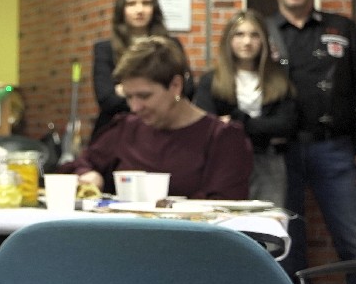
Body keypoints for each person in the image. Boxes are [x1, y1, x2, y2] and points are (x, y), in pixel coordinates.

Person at [265, 0, 356, 284]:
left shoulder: (341, 27)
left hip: (336, 150)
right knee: (285, 249)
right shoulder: (261, 31)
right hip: (277, 154)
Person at [73, 36, 253, 200]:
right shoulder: (125, 129)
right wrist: (88, 174)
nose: (135, 107)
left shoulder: (221, 138)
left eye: (144, 96)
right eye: (128, 97)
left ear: (175, 85)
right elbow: (82, 164)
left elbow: (225, 204)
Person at [193, 10, 298, 208]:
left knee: (267, 219)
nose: (247, 42)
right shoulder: (212, 80)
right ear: (228, 40)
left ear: (264, 40)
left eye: (254, 35)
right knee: (226, 217)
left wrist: (238, 122)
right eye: (239, 34)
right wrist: (261, 128)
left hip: (268, 161)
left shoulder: (278, 79)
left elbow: (286, 125)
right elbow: (206, 125)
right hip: (224, 162)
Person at [92, 0, 187, 138]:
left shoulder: (171, 44)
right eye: (131, 4)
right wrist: (157, 93)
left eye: (146, 3)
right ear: (122, 10)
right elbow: (106, 99)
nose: (139, 9)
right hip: (117, 131)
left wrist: (124, 90)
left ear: (154, 8)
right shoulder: (105, 49)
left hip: (164, 129)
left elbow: (186, 89)